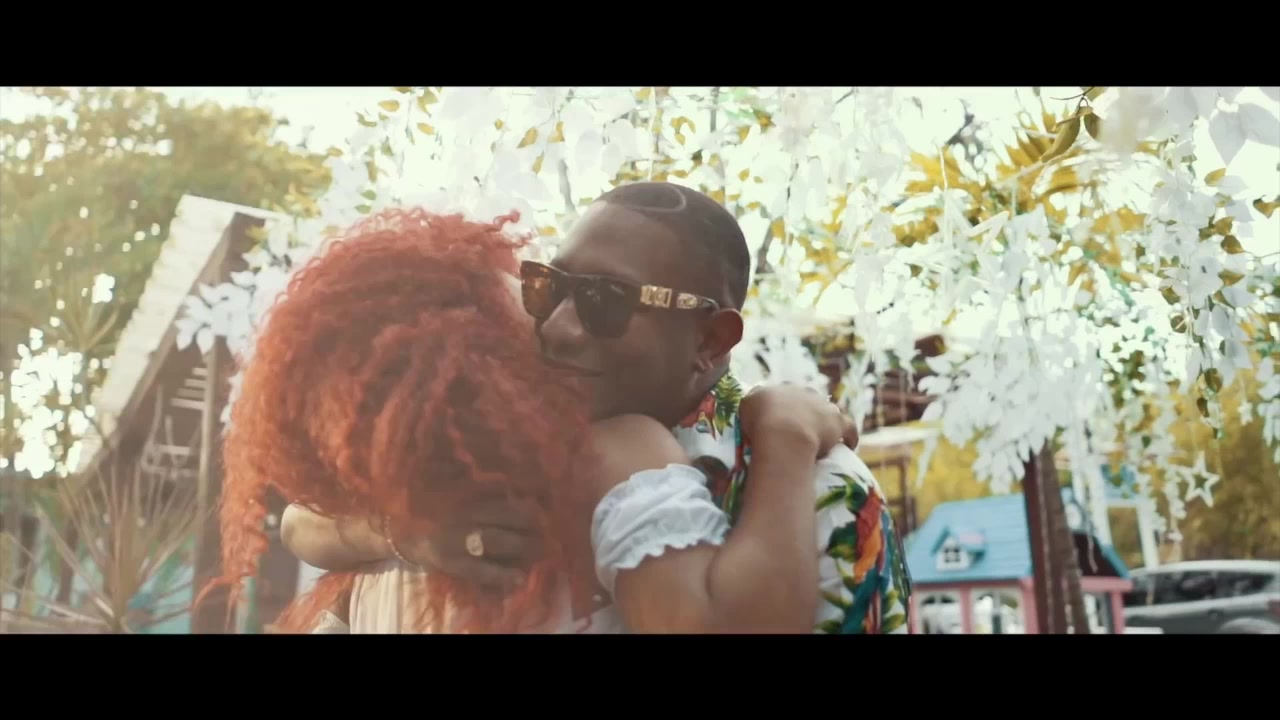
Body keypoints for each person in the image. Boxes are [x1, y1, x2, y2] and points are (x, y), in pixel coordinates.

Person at [284, 182, 914, 634]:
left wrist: (784, 438)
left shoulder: (815, 490)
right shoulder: (484, 462)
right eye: (549, 287)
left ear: (710, 339)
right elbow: (304, 521)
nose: (558, 328)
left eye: (606, 300)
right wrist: (411, 534)